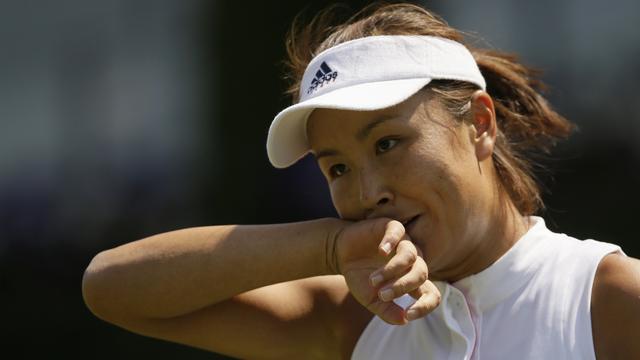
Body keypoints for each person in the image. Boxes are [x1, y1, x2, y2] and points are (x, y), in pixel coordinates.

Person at [82, 3, 640, 359]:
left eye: (387, 143)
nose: (367, 191)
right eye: (337, 167)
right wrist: (331, 246)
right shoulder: (348, 321)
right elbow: (112, 288)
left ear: (480, 124)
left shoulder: (608, 298)